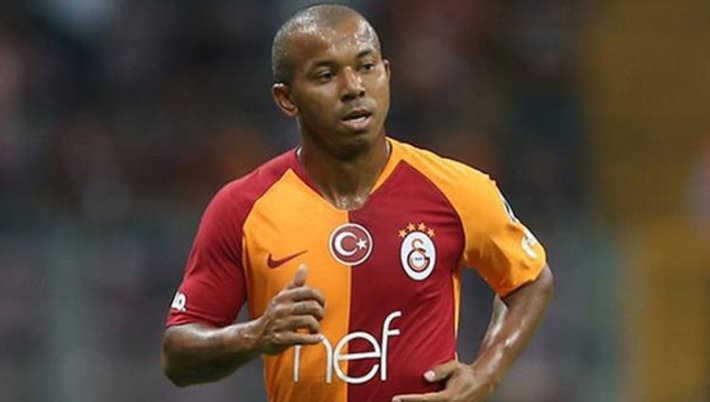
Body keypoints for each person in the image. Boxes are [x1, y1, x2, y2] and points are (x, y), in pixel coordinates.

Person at [161, 4, 554, 402]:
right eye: (326, 75)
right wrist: (254, 335)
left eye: (366, 67)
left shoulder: (456, 189)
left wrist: (486, 373)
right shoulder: (243, 207)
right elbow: (177, 354)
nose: (353, 87)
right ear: (287, 99)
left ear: (386, 73)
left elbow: (531, 281)